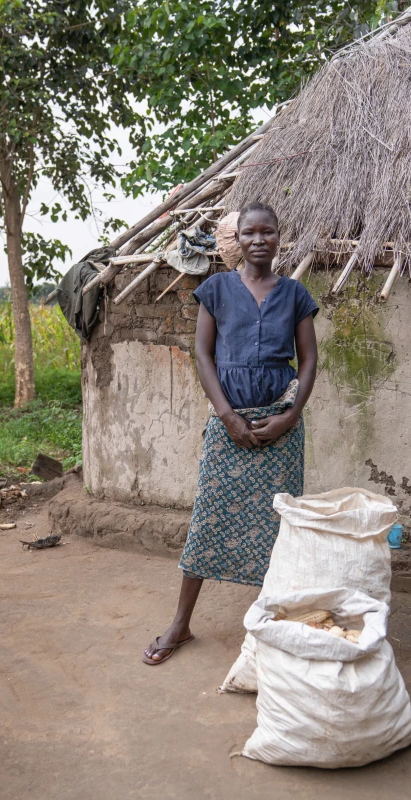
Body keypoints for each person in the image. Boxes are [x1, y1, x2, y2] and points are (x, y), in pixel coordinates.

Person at [142, 201, 319, 665]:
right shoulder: (217, 289)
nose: (259, 240)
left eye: (267, 232)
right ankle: (180, 626)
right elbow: (203, 356)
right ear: (236, 241)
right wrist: (227, 415)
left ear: (279, 238)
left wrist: (290, 416)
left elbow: (309, 361)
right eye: (249, 233)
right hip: (228, 424)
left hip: (279, 426)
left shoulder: (296, 294)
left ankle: (272, 628)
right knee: (208, 518)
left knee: (278, 527)